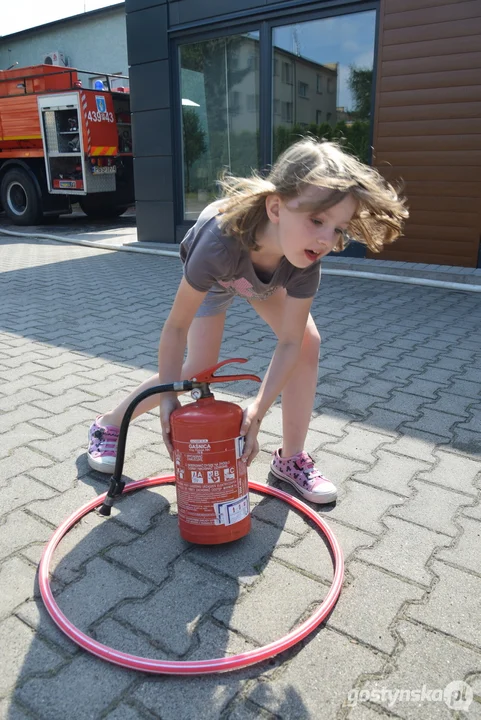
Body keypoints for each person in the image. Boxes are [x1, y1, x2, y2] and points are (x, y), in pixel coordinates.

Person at [87, 138, 408, 504]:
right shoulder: (217, 245)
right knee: (198, 367)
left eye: (338, 229)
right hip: (219, 272)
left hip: (263, 276)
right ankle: (108, 424)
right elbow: (176, 327)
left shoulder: (305, 256)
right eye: (317, 220)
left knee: (307, 342)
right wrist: (166, 402)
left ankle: (290, 460)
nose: (325, 239)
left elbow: (290, 341)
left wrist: (257, 409)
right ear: (276, 207)